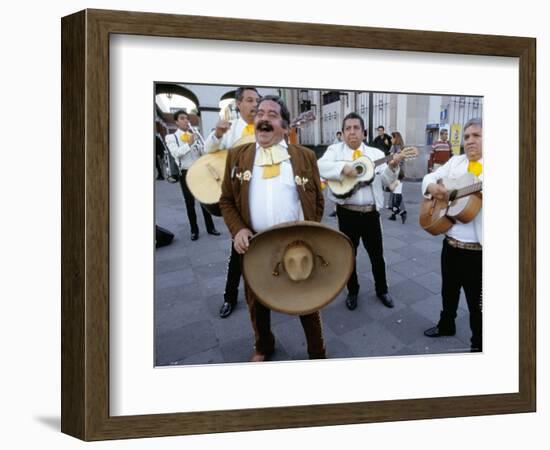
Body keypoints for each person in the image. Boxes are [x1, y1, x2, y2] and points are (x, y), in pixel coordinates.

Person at [219, 95, 326, 362]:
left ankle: (317, 352)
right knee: (257, 303)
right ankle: (264, 346)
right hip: (255, 245)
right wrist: (239, 230)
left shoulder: (305, 157)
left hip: (297, 244)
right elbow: (226, 200)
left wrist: (310, 233)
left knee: (308, 301)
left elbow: (318, 200)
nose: (264, 118)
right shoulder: (237, 155)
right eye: (259, 113)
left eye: (272, 114)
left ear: (285, 125)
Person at [318, 113, 404, 311]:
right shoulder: (334, 150)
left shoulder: (375, 154)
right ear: (342, 133)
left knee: (377, 255)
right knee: (349, 255)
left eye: (356, 128)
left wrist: (393, 167)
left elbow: (385, 182)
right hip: (346, 212)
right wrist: (343, 168)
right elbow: (320, 165)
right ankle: (353, 291)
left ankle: (382, 290)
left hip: (371, 213)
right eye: (347, 128)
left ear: (364, 133)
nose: (352, 132)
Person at [422, 118, 483, 352]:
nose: (470, 141)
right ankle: (446, 324)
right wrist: (433, 188)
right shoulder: (456, 162)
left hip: (479, 253)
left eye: (476, 135)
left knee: (478, 306)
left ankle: (479, 347)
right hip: (450, 244)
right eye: (466, 136)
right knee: (448, 290)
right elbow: (430, 177)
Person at [204, 87, 261, 318]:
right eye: (249, 100)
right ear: (239, 104)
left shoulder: (265, 125)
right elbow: (209, 149)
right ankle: (230, 297)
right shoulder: (232, 129)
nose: (254, 104)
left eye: (257, 100)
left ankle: (269, 293)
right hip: (237, 199)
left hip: (260, 195)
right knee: (238, 249)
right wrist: (217, 133)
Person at [165, 110, 220, 241]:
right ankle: (194, 230)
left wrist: (202, 146)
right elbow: (176, 153)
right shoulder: (171, 138)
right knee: (189, 203)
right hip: (185, 172)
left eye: (187, 118)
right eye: (182, 118)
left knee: (204, 200)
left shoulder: (193, 135)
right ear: (177, 122)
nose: (186, 121)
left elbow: (203, 153)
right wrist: (189, 144)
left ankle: (210, 227)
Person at [388, 131, 407, 224]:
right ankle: (394, 214)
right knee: (395, 193)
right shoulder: (400, 147)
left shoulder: (396, 148)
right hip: (398, 173)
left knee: (396, 193)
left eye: (392, 138)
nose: (391, 139)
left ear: (396, 138)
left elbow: (394, 161)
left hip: (396, 173)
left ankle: (401, 212)